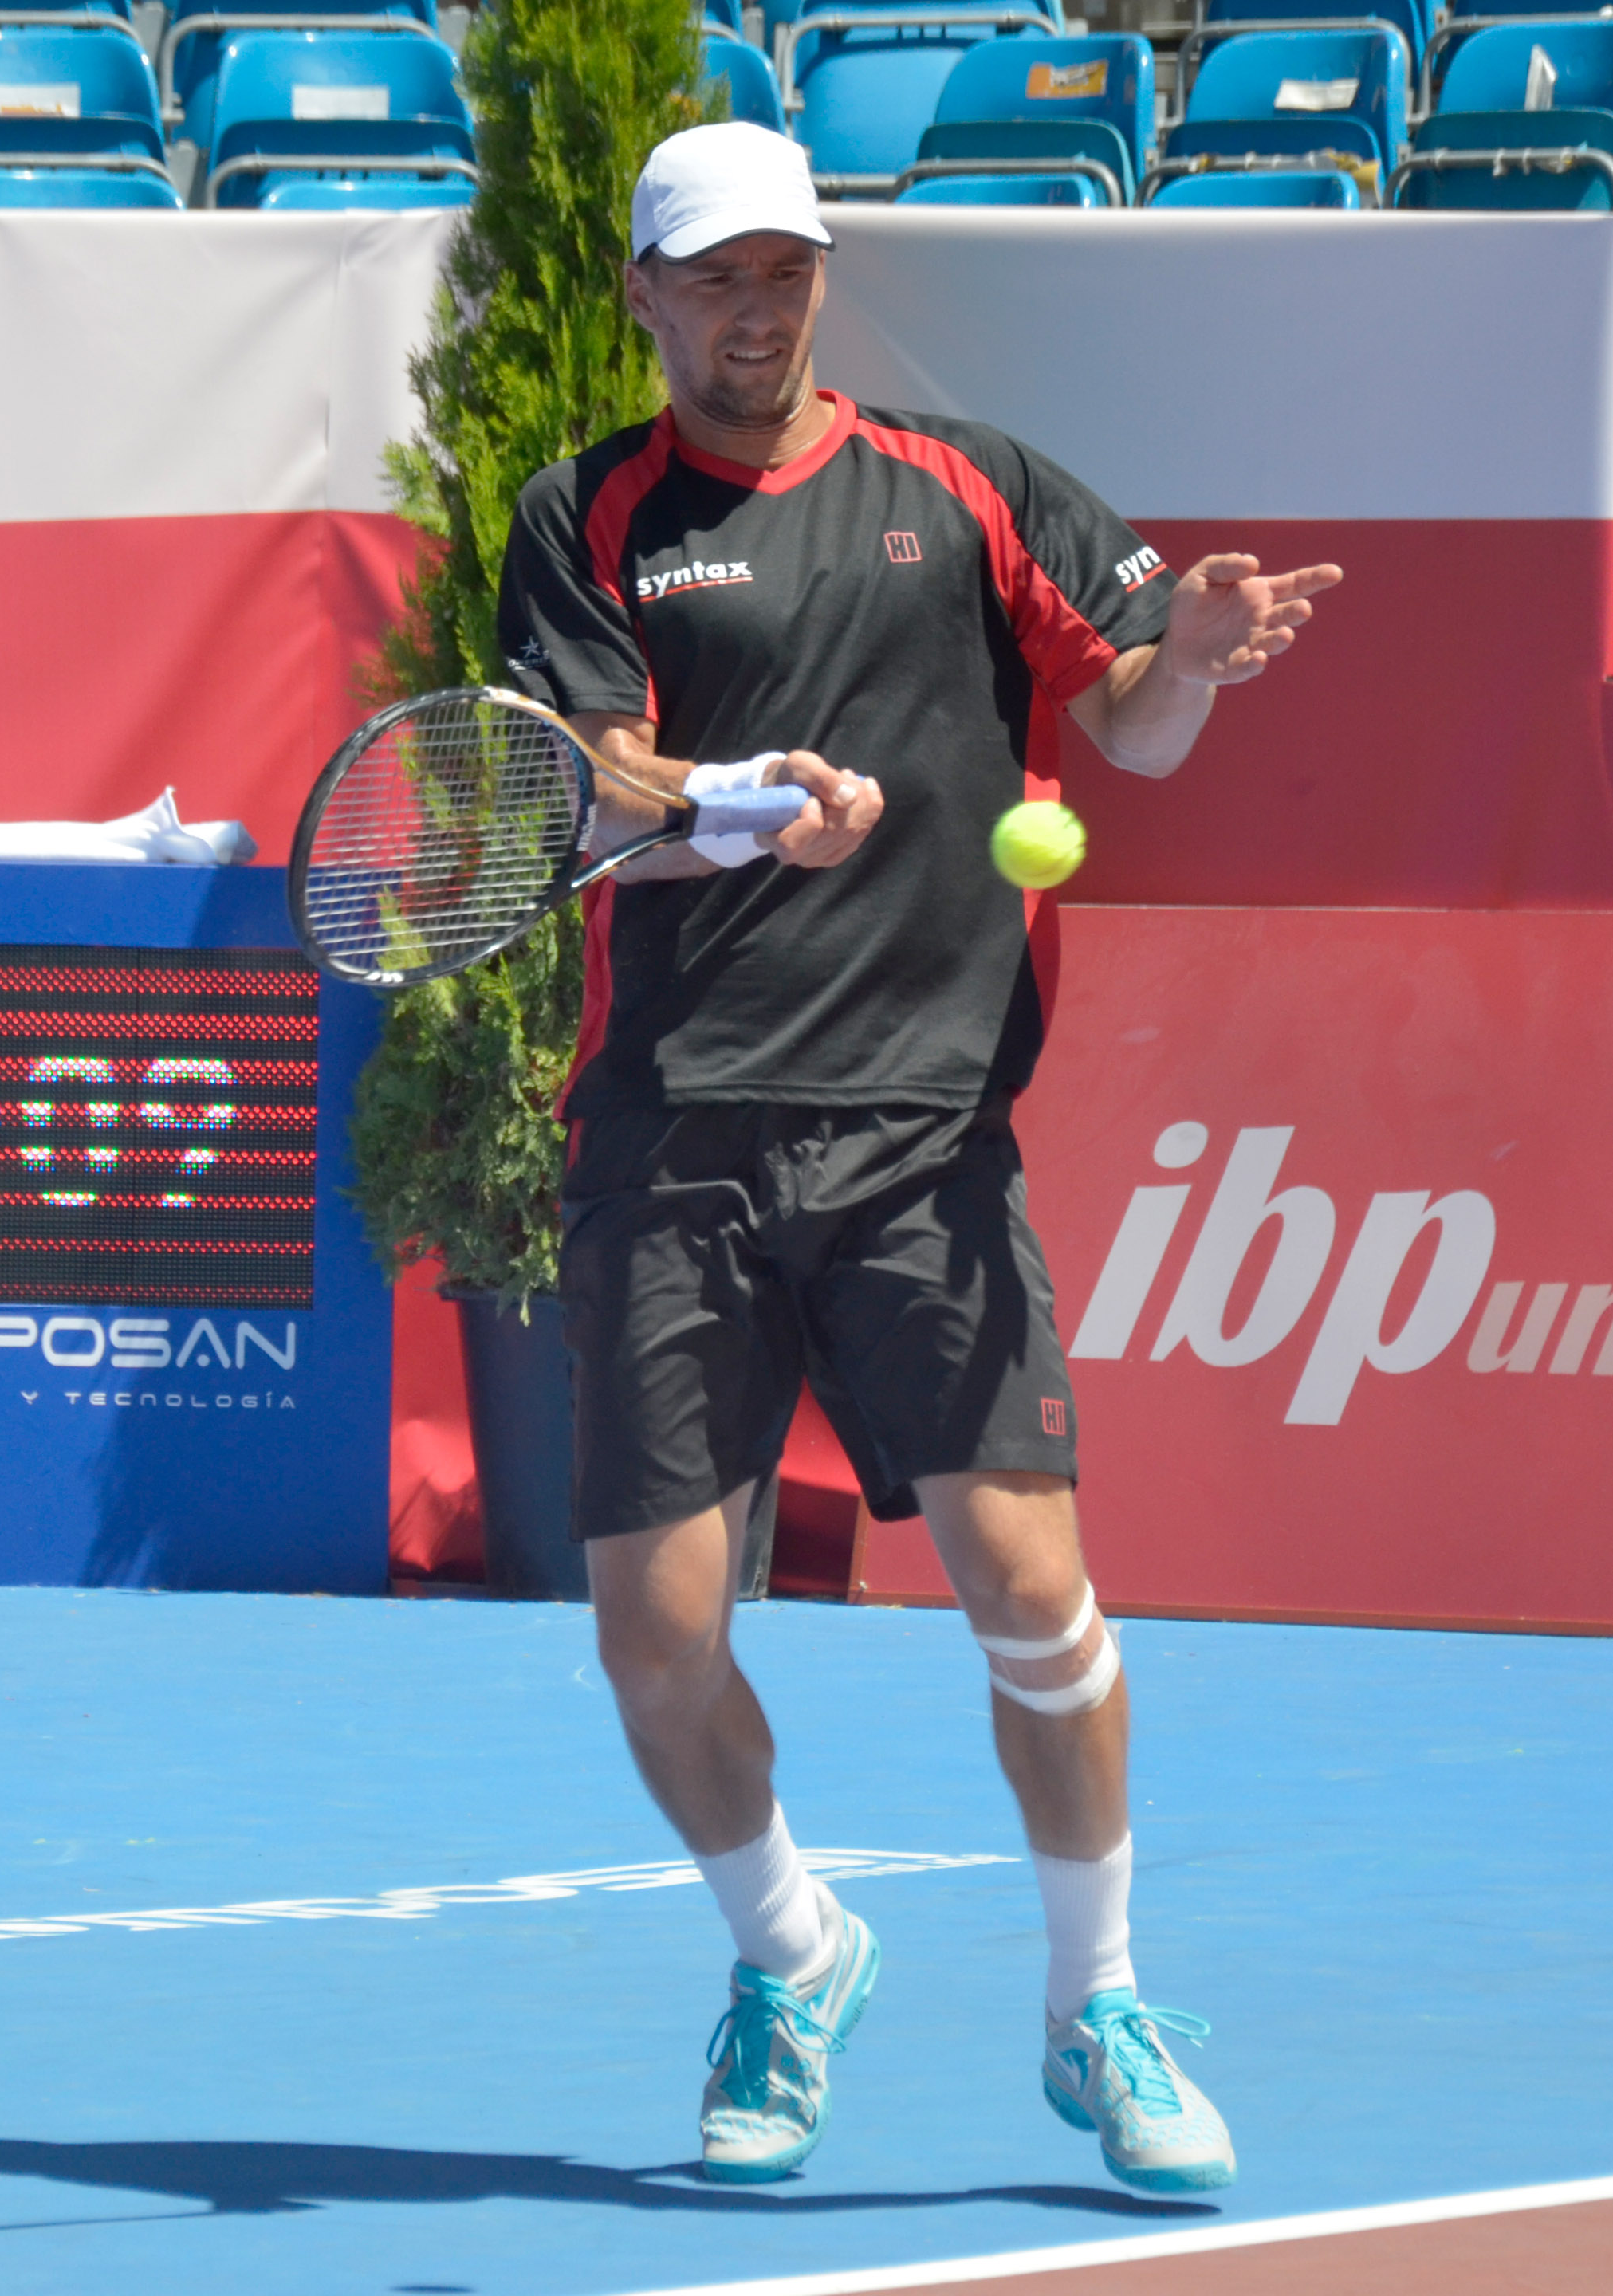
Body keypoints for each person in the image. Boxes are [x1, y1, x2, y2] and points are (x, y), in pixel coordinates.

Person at [493, 122, 1340, 2193]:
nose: (752, 304)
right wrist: (732, 798)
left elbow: (1126, 721)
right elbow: (582, 781)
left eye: (780, 266)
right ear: (645, 294)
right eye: (709, 274)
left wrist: (1197, 666)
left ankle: (1098, 2005)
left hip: (923, 1140)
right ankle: (792, 1954)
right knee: (655, 1631)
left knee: (1030, 1589)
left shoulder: (969, 486)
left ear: (813, 278)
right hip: (674, 1139)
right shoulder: (587, 512)